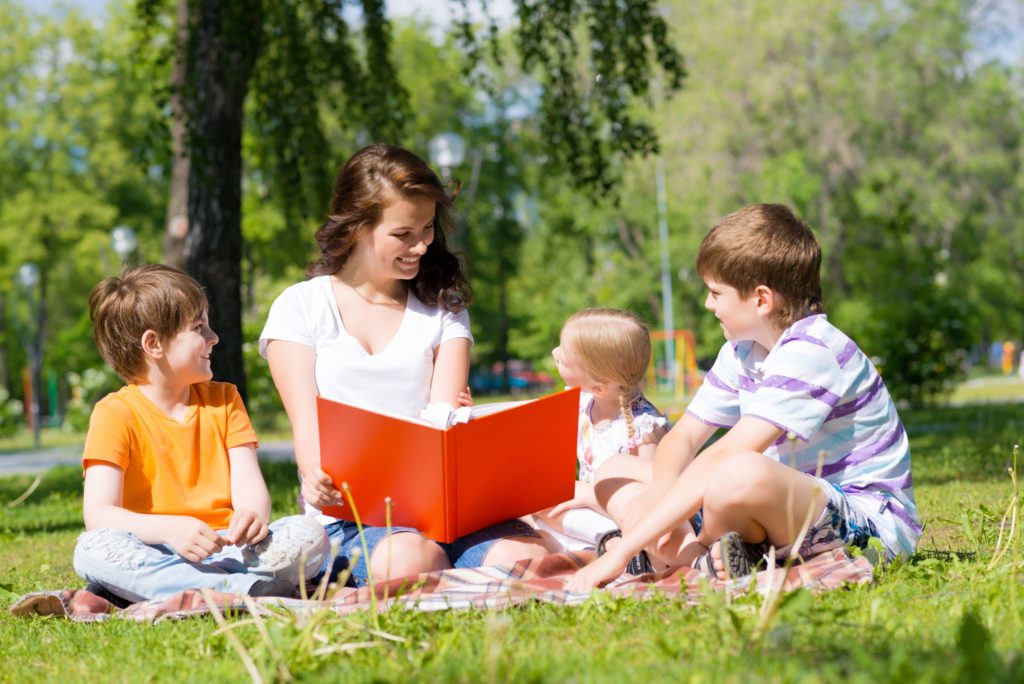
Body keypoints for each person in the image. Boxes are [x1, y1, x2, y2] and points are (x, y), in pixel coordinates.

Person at [569, 204, 921, 590]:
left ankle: (681, 554)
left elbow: (727, 455)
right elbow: (683, 438)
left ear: (761, 300)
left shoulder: (813, 350)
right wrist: (658, 495)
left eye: (716, 293)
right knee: (616, 469)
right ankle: (698, 558)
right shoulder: (741, 351)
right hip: (765, 508)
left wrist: (624, 549)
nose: (708, 304)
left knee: (736, 472)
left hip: (865, 524)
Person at [260, 143, 556, 587]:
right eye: (403, 234)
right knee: (409, 562)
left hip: (449, 512)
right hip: (355, 517)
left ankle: (459, 561)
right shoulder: (301, 306)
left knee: (529, 561)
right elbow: (307, 426)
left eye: (427, 229)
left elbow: (444, 416)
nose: (421, 245)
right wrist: (314, 476)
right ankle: (449, 568)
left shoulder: (443, 308)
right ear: (358, 227)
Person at [73, 265, 329, 604]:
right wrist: (171, 530)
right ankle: (239, 591)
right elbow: (100, 514)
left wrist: (251, 516)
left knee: (309, 534)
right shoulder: (114, 414)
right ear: (154, 344)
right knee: (91, 549)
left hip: (232, 550)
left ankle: (190, 588)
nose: (214, 336)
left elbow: (250, 488)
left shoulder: (224, 399)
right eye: (199, 327)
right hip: (156, 548)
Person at [533, 308, 671, 568]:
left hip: (626, 516)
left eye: (563, 356)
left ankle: (620, 547)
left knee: (546, 525)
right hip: (591, 518)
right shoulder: (582, 403)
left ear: (599, 386)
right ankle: (606, 541)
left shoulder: (644, 427)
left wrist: (590, 496)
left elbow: (656, 498)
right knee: (535, 502)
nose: (554, 353)